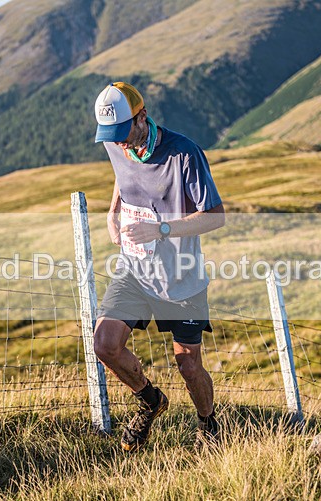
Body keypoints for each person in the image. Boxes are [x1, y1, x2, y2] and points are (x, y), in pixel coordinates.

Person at [91, 81, 225, 451]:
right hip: (134, 270)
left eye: (123, 133)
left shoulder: (184, 154)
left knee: (189, 366)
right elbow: (123, 175)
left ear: (142, 117)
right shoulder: (115, 143)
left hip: (181, 277)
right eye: (111, 136)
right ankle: (150, 401)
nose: (119, 143)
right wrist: (113, 212)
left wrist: (161, 229)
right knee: (104, 344)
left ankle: (208, 423)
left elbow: (215, 216)